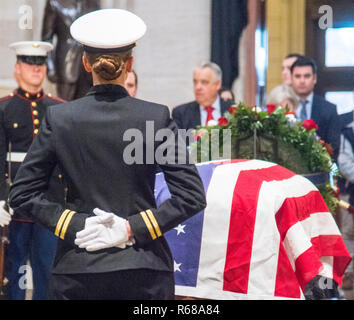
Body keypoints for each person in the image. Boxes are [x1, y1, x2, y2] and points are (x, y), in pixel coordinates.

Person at [9, 9, 206, 300]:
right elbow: (191, 195)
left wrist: (76, 224)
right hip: (142, 265)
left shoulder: (61, 118)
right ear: (130, 64)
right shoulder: (155, 118)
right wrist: (131, 228)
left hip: (78, 265)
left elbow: (22, 193)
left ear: (85, 63)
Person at [0, 41, 66, 300]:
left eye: (40, 63)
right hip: (15, 204)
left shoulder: (60, 108)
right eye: (29, 63)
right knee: (14, 268)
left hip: (50, 203)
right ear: (17, 69)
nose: (36, 69)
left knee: (47, 269)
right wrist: (1, 197)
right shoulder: (4, 108)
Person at [41, 0, 100, 100]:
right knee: (65, 106)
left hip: (90, 65)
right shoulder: (55, 3)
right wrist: (50, 67)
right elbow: (47, 39)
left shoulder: (93, 2)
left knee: (88, 106)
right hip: (66, 63)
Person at [290, 56, 340, 159]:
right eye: (298, 76)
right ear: (291, 79)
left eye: (307, 76)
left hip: (319, 166)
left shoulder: (329, 109)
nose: (302, 81)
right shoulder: (283, 106)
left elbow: (334, 146)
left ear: (314, 78)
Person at [172, 62, 233, 131]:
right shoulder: (181, 113)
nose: (198, 87)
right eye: (195, 82)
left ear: (218, 84)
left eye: (204, 82)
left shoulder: (233, 110)